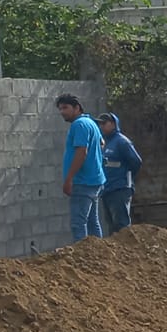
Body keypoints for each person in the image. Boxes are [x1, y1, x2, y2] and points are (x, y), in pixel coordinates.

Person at [55, 93, 106, 241]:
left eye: (65, 108)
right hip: (94, 180)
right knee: (92, 222)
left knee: (78, 223)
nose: (62, 112)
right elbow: (102, 143)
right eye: (60, 108)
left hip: (83, 182)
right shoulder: (90, 122)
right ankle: (99, 252)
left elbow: (82, 151)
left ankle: (83, 254)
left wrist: (69, 179)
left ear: (77, 108)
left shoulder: (79, 124)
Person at [97, 113, 143, 233]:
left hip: (120, 188)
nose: (101, 126)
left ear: (113, 124)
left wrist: (126, 177)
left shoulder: (122, 142)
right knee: (111, 225)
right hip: (107, 188)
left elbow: (136, 162)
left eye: (104, 123)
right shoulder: (104, 143)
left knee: (121, 224)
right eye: (100, 124)